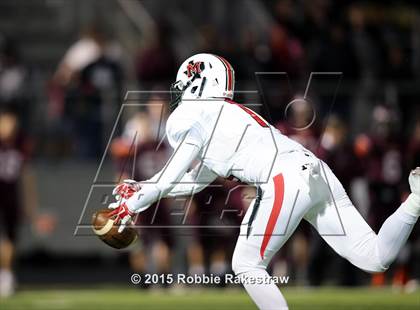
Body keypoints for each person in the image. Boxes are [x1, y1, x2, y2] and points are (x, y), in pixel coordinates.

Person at [109, 53, 420, 309]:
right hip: (313, 170)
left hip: (284, 178)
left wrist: (138, 199)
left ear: (197, 82)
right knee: (374, 257)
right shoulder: (223, 119)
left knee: (246, 264)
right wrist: (145, 187)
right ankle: (417, 200)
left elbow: (177, 168)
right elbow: (193, 182)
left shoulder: (194, 114)